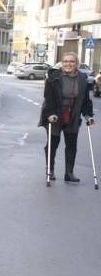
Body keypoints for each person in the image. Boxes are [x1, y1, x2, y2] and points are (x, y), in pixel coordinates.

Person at [40, 52, 95, 183]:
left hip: (72, 115)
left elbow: (85, 100)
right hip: (54, 114)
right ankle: (50, 170)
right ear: (62, 63)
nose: (68, 64)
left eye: (71, 61)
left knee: (71, 145)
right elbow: (49, 99)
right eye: (65, 61)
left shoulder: (82, 78)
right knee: (53, 144)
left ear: (76, 64)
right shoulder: (54, 77)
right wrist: (50, 114)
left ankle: (69, 173)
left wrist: (88, 115)